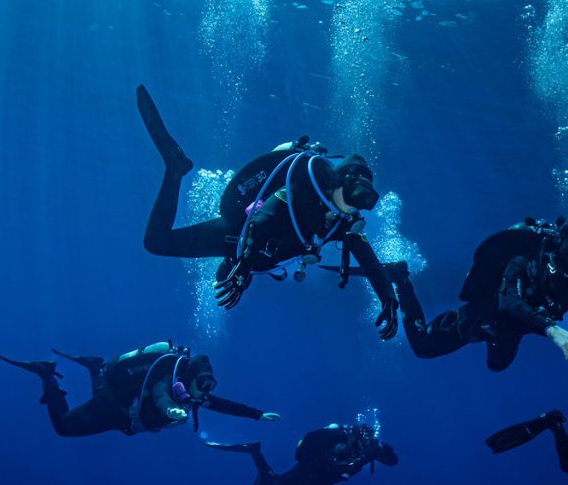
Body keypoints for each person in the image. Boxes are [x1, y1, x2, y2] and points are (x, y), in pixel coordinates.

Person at [136, 85, 398, 339]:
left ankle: (240, 265)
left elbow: (370, 262)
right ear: (338, 183)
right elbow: (261, 221)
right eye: (349, 200)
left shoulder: (344, 220)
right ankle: (175, 169)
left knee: (236, 278)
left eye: (356, 207)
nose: (349, 211)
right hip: (238, 234)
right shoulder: (300, 191)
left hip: (261, 254)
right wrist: (243, 265)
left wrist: (388, 299)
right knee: (156, 242)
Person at [352, 217, 568, 371]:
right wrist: (552, 330)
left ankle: (496, 337)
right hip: (481, 316)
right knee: (423, 348)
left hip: (511, 329)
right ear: (567, 254)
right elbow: (508, 301)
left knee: (497, 366)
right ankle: (401, 278)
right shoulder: (525, 262)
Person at [0, 341, 280, 437]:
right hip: (116, 408)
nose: (204, 393)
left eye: (208, 386)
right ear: (189, 377)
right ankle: (48, 377)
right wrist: (173, 411)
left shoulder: (192, 390)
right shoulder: (171, 383)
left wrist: (258, 414)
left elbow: (224, 405)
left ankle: (95, 367)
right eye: (202, 385)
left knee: (100, 396)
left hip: (124, 412)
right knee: (64, 427)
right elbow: (162, 397)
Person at [206, 423, 398, 485]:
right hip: (309, 474)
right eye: (360, 443)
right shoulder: (342, 446)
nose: (361, 447)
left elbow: (392, 461)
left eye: (365, 444)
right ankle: (254, 451)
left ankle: (264, 473)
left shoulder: (365, 451)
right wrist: (360, 460)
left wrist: (385, 453)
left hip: (313, 484)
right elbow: (333, 468)